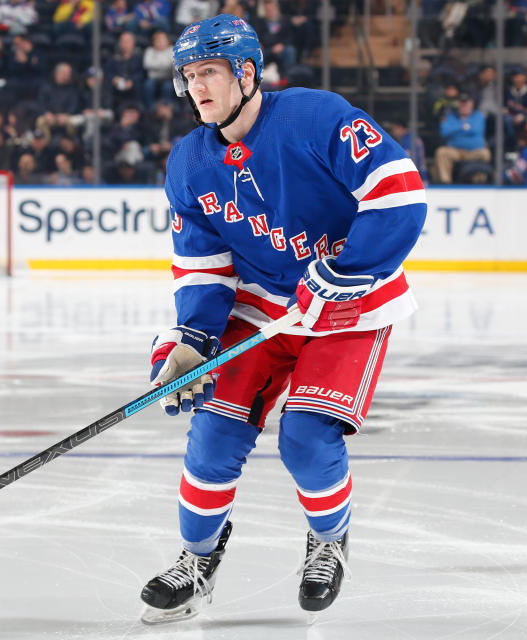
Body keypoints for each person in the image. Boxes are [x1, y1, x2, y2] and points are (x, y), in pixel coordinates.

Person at [139, 14, 426, 625]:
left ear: (246, 72)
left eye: (209, 72)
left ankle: (329, 541)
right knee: (213, 437)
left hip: (351, 308)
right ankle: (197, 559)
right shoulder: (190, 161)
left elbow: (398, 194)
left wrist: (348, 270)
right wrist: (191, 338)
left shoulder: (314, 116)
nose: (198, 88)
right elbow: (203, 266)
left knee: (305, 437)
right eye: (189, 77)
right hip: (263, 307)